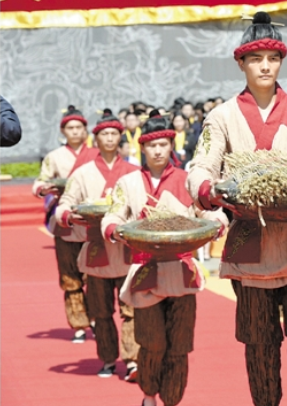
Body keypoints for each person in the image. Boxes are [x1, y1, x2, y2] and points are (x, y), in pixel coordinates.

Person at [187, 11, 287, 406]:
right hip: (250, 247)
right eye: (256, 59)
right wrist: (206, 188)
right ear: (241, 63)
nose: (265, 66)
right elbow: (203, 165)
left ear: (281, 61)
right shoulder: (221, 117)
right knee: (259, 342)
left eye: (273, 58)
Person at [101, 113, 207, 406]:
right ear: (142, 148)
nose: (158, 151)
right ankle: (149, 394)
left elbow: (207, 214)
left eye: (163, 145)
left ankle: (172, 398)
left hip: (182, 271)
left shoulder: (187, 181)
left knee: (180, 344)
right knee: (151, 341)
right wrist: (113, 229)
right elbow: (114, 214)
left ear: (171, 146)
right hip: (145, 271)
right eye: (152, 146)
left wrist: (216, 221)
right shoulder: (128, 182)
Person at [55, 115, 139, 380]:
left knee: (131, 309)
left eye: (115, 134)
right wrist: (69, 216)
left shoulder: (134, 173)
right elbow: (65, 204)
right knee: (101, 312)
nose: (110, 139)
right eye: (105, 134)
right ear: (96, 138)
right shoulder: (82, 173)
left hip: (127, 252)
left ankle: (133, 359)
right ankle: (107, 358)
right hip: (96, 251)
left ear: (120, 137)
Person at [32, 106, 99, 342]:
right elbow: (41, 182)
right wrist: (43, 188)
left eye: (78, 127)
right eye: (70, 128)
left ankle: (96, 319)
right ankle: (78, 323)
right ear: (63, 131)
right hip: (65, 221)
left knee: (94, 275)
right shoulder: (54, 157)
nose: (74, 131)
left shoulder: (97, 155)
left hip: (92, 223)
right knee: (70, 276)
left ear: (85, 130)